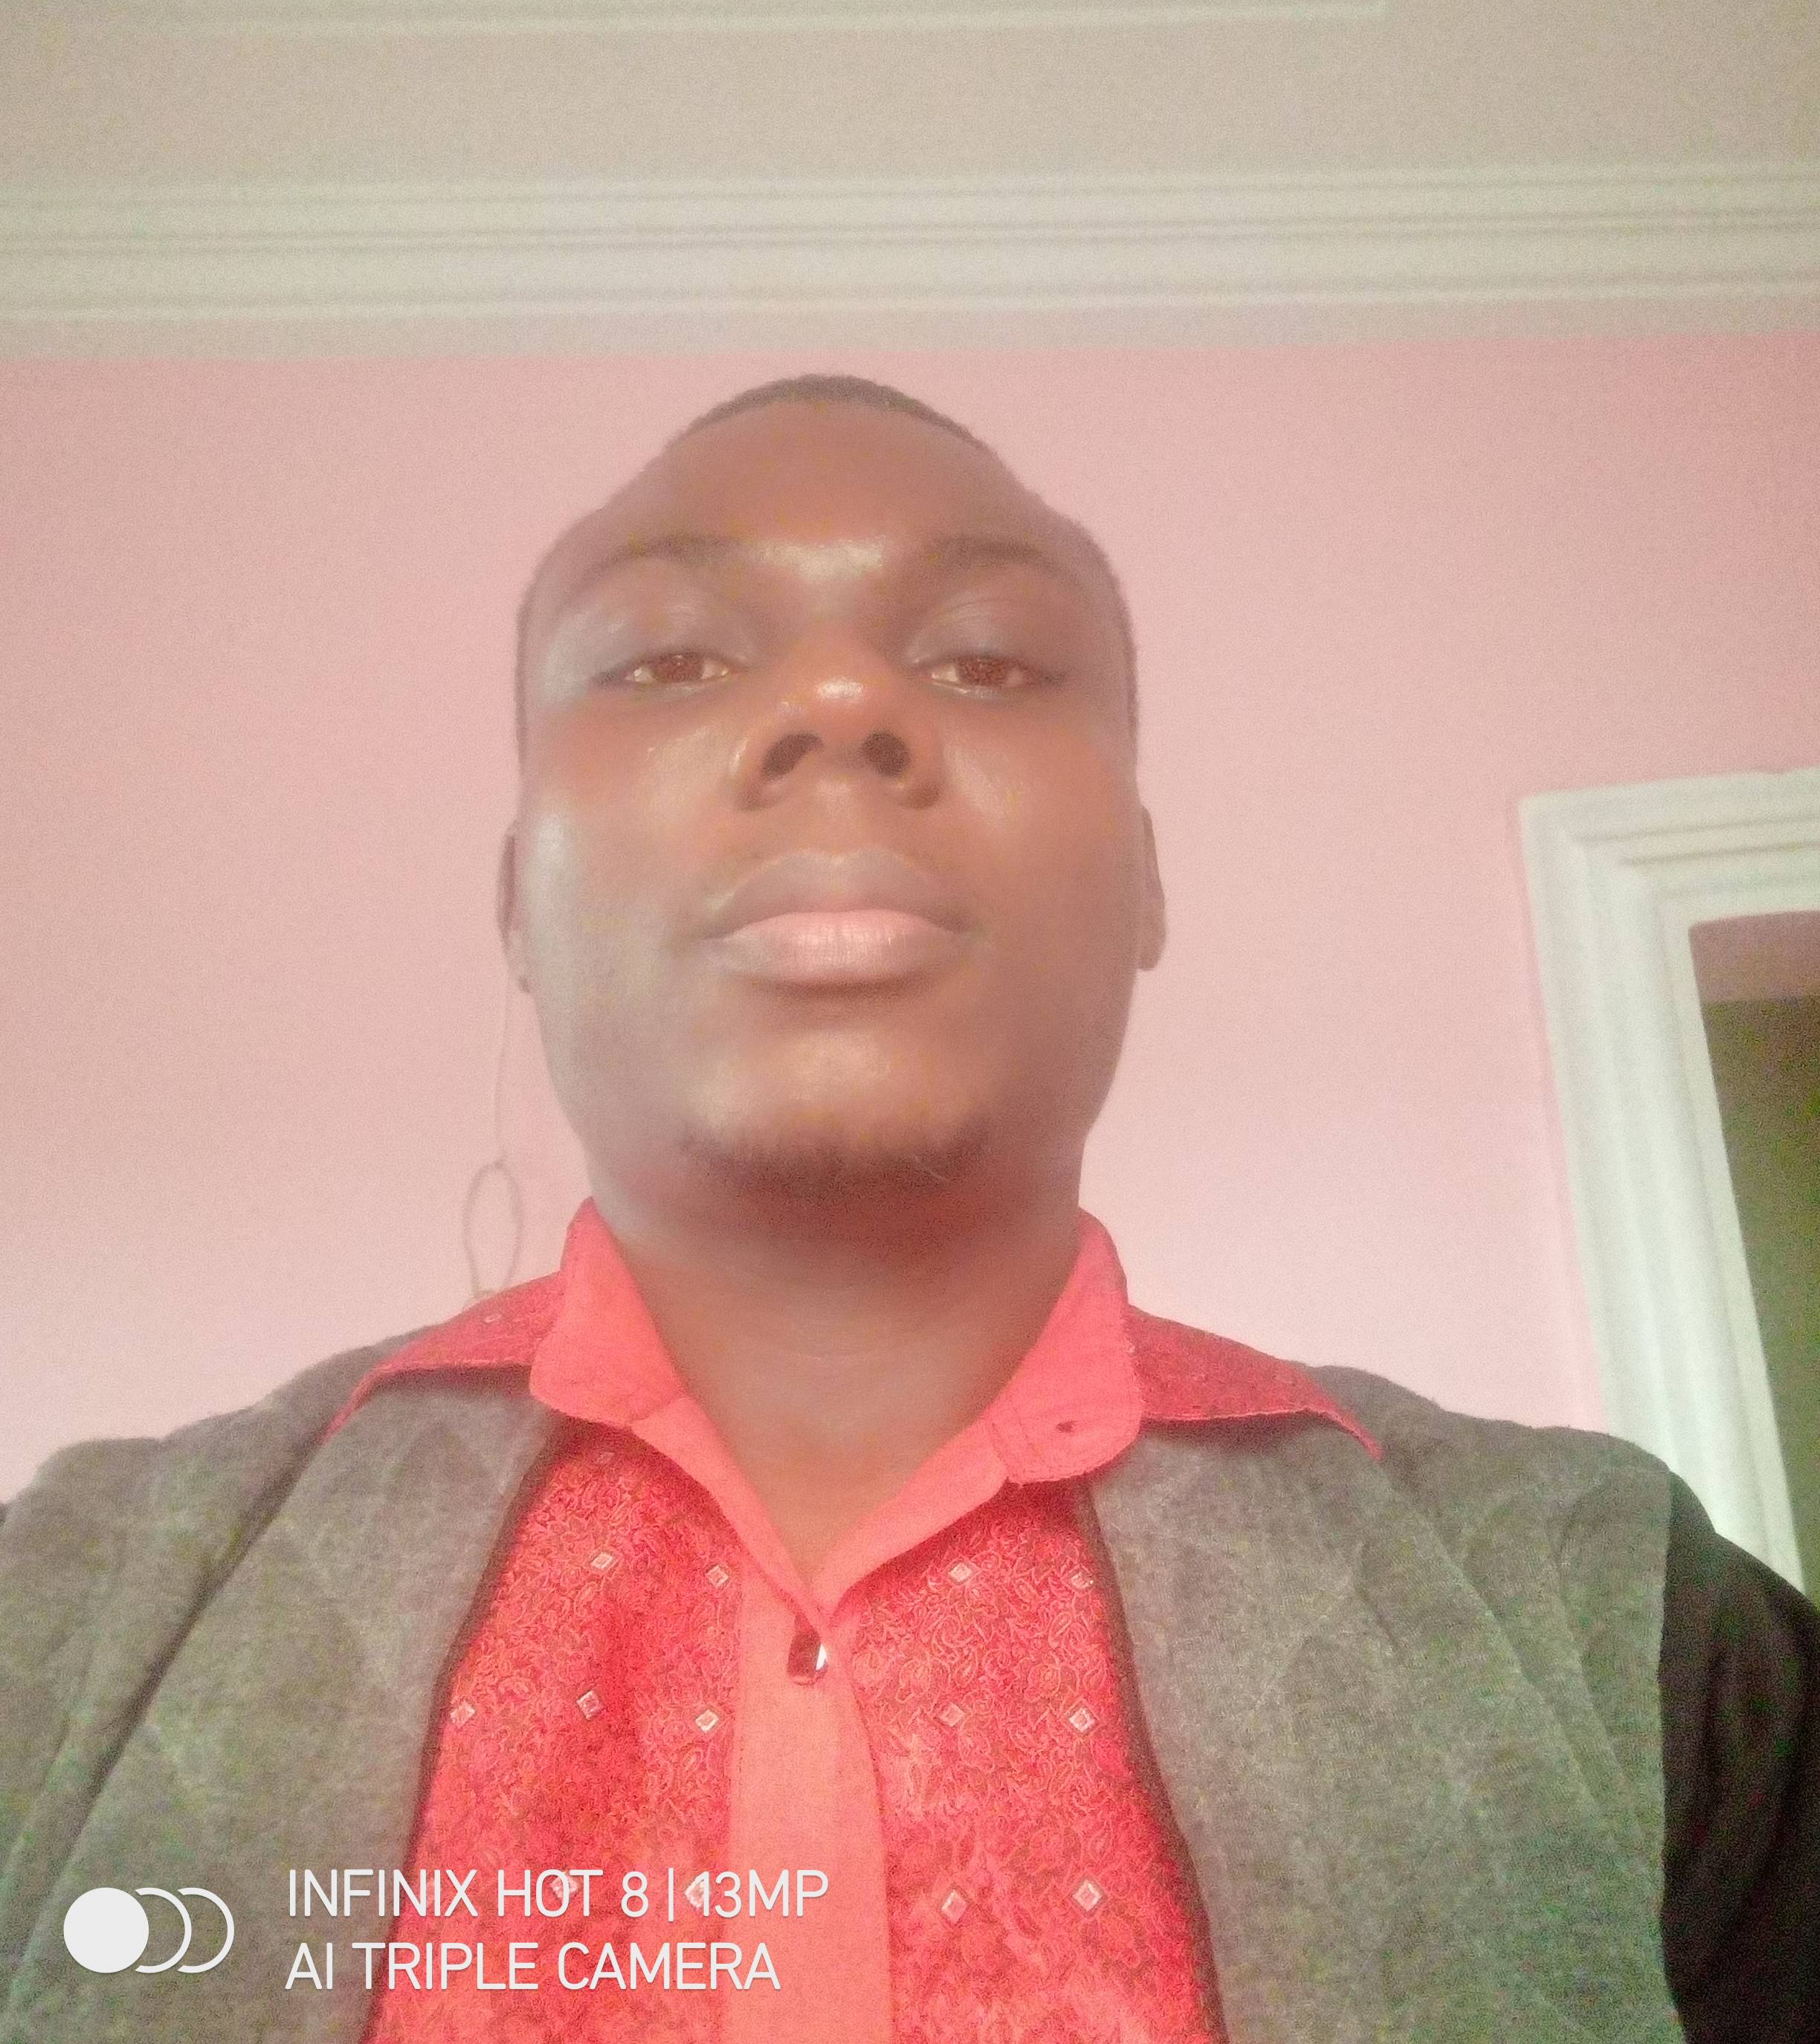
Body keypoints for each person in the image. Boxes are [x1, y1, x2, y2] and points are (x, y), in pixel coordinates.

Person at [1, 375, 1814, 2044]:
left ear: (1146, 880)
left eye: (991, 662)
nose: (839, 706)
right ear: (515, 907)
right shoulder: (65, 1618)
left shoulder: (1624, 1623)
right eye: (666, 659)